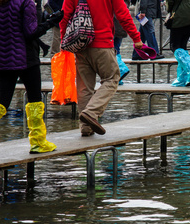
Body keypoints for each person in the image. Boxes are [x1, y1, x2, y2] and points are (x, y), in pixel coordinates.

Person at [0, 0, 62, 159]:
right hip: (26, 58)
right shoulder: (26, 2)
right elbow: (31, 33)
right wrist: (52, 21)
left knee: (2, 100)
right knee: (35, 99)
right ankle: (38, 142)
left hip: (2, 58)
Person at [60, 0, 143, 136]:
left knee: (84, 87)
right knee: (112, 78)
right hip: (102, 43)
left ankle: (86, 128)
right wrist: (136, 38)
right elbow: (123, 14)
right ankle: (91, 112)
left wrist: (64, 40)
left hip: (80, 45)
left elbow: (64, 16)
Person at [167, 0, 190, 87]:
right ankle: (183, 78)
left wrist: (169, 9)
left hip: (179, 15)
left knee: (174, 46)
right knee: (182, 46)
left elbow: (170, 2)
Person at [114, 0, 132, 85]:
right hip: (121, 27)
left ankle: (121, 69)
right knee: (116, 49)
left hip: (113, 26)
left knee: (111, 50)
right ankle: (118, 78)